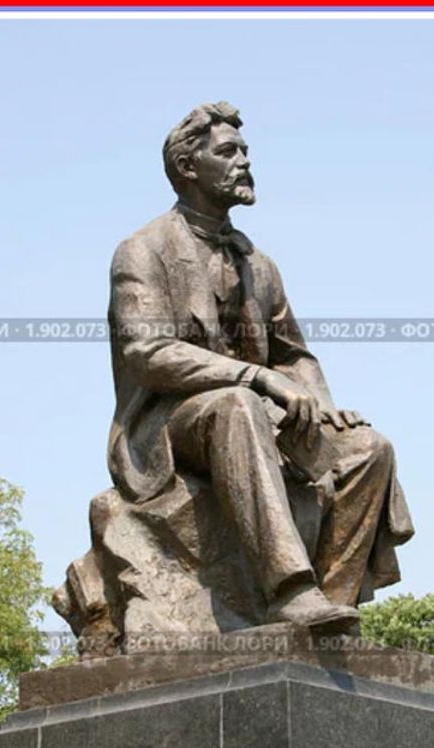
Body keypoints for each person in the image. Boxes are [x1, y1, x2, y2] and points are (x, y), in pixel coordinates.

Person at [107, 102, 413, 631]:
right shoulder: (142, 251)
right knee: (237, 406)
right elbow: (147, 352)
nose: (244, 162)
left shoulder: (259, 264)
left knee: (369, 448)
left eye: (245, 151)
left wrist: (323, 406)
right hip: (170, 426)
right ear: (187, 166)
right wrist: (255, 377)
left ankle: (329, 609)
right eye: (228, 152)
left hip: (257, 414)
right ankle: (288, 591)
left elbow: (293, 354)